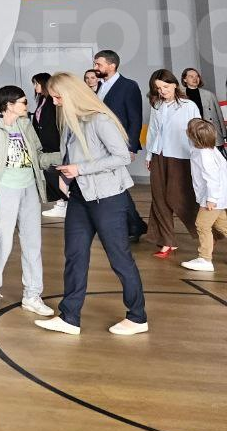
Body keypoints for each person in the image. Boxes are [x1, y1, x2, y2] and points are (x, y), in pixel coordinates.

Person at [35, 72, 148, 337]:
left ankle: (137, 317)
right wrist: (65, 176)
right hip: (80, 198)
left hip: (108, 199)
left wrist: (80, 169)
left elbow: (122, 157)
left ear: (71, 94)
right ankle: (69, 317)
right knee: (74, 256)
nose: (55, 103)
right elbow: (71, 157)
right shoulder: (69, 121)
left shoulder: (100, 120)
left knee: (120, 259)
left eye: (58, 97)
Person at [0, 85, 57, 316]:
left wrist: (64, 156)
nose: (27, 105)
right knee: (2, 243)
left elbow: (37, 156)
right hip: (4, 190)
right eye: (23, 102)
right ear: (9, 105)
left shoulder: (25, 124)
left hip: (29, 188)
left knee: (33, 243)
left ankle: (32, 294)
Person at [144, 69, 200, 259]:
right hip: (158, 155)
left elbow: (196, 132)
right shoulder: (157, 105)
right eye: (159, 88)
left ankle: (212, 233)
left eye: (166, 86)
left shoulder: (189, 106)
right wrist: (149, 155)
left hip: (181, 157)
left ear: (175, 84)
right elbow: (153, 131)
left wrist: (197, 158)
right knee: (159, 198)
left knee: (180, 197)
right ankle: (167, 241)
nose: (163, 91)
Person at [93, 50, 147, 242]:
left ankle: (134, 225)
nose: (95, 67)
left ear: (112, 65)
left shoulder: (128, 86)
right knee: (116, 185)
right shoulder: (100, 86)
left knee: (117, 185)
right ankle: (134, 225)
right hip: (101, 145)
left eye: (99, 64)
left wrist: (130, 147)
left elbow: (135, 118)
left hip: (118, 145)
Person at [182, 117, 227, 272]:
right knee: (222, 225)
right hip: (218, 198)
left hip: (213, 198)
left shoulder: (204, 155)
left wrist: (211, 199)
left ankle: (205, 259)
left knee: (202, 225)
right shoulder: (209, 150)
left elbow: (212, 178)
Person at [31, 73, 67, 219]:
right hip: (44, 143)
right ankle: (61, 203)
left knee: (56, 174)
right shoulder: (42, 100)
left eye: (36, 83)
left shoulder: (54, 102)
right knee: (50, 174)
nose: (35, 86)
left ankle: (64, 203)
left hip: (54, 144)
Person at [180, 68, 225, 148]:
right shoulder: (180, 96)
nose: (195, 79)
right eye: (191, 76)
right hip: (191, 132)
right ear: (185, 79)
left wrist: (224, 134)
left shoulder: (209, 95)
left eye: (197, 76)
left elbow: (219, 115)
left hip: (210, 132)